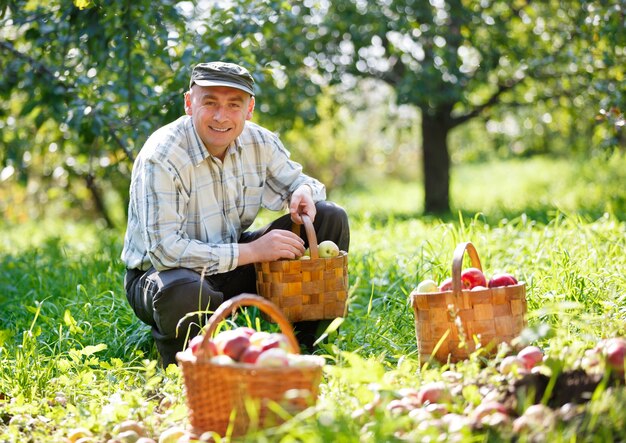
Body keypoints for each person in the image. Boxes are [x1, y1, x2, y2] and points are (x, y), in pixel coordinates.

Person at [121, 61, 350, 367]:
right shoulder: (162, 157)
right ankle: (184, 364)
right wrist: (254, 251)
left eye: (233, 105)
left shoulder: (259, 141)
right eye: (210, 103)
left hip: (233, 260)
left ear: (249, 109)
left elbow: (300, 181)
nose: (221, 116)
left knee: (328, 217)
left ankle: (307, 345)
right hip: (163, 276)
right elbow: (166, 251)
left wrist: (303, 191)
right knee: (183, 290)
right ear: (189, 103)